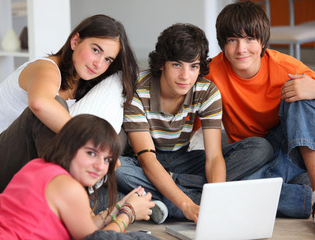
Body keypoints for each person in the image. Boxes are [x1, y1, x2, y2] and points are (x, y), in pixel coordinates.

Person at [0, 14, 138, 199]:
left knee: (115, 134)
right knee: (52, 110)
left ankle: (84, 197)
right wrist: (95, 143)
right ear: (75, 41)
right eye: (95, 50)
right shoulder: (45, 68)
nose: (99, 64)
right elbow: (39, 104)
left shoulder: (84, 83)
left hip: (26, 168)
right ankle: (75, 200)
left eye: (108, 59)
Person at [115, 23, 273, 224]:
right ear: (162, 63)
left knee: (260, 148)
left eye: (194, 66)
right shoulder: (138, 90)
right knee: (117, 168)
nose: (185, 76)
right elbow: (148, 161)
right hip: (145, 161)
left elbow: (214, 156)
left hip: (184, 160)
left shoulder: (207, 91)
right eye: (176, 65)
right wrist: (187, 206)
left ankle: (162, 198)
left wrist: (215, 200)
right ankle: (181, 201)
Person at [0, 114, 158, 240]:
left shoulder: (37, 166)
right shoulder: (68, 187)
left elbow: (84, 224)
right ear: (70, 147)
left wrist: (118, 208)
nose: (100, 166)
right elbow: (96, 239)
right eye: (91, 153)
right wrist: (129, 213)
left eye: (107, 160)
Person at [205, 1, 315, 219]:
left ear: (263, 41)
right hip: (252, 154)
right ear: (222, 44)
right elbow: (187, 124)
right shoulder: (211, 74)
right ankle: (303, 196)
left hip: (292, 147)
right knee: (238, 186)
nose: (241, 49)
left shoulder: (285, 67)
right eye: (232, 40)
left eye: (249, 39)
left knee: (300, 95)